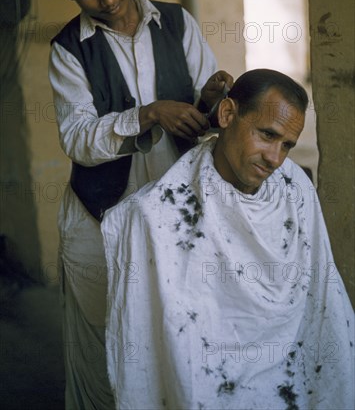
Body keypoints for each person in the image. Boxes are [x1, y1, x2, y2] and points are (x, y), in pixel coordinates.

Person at [45, 0, 233, 409]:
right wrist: (147, 114)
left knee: (181, 331)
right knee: (112, 338)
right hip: (104, 217)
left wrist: (211, 99)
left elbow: (205, 114)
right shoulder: (68, 51)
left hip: (177, 212)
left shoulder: (176, 22)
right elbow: (80, 140)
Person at [102, 69, 354, 410]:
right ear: (227, 114)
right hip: (208, 381)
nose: (275, 159)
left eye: (287, 146)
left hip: (293, 372)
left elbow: (321, 298)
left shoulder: (295, 189)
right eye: (267, 135)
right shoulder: (162, 210)